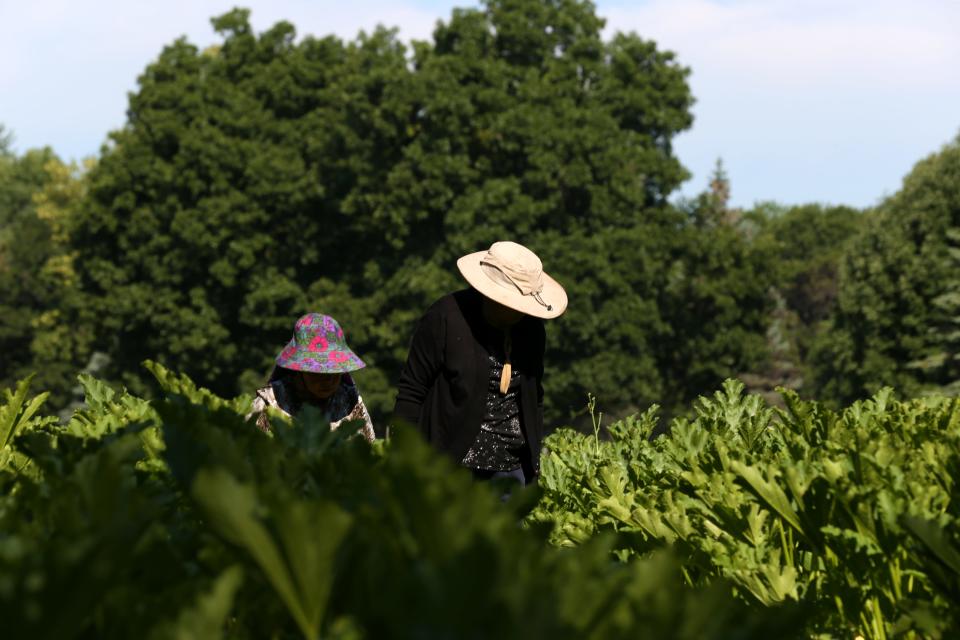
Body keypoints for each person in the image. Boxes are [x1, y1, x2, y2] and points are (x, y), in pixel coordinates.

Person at [392, 240, 567, 489]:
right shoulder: (446, 317)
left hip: (510, 470)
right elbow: (412, 390)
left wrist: (533, 462)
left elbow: (533, 398)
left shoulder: (532, 331)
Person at [248, 313, 375, 441]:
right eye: (319, 374)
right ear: (300, 371)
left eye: (335, 373)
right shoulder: (269, 405)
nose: (329, 381)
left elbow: (368, 451)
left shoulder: (350, 402)